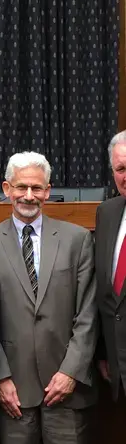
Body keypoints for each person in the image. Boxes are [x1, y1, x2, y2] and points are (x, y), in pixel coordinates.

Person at [0, 151, 97, 444]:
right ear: (7, 189)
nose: (29, 196)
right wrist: (0, 377)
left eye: (37, 188)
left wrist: (70, 371)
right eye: (21, 187)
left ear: (48, 191)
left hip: (66, 387)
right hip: (13, 389)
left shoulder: (77, 240)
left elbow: (89, 313)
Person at [95, 131, 126, 400]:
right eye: (121, 168)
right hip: (118, 367)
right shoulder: (107, 213)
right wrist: (105, 352)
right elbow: (106, 295)